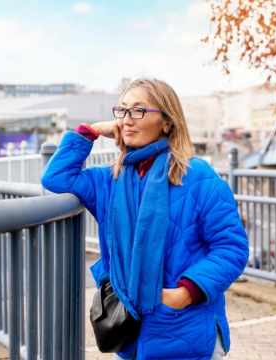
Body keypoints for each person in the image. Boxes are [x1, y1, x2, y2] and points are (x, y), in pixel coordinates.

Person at [41, 78, 249, 360]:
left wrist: (186, 293)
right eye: (122, 111)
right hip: (131, 332)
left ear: (167, 122)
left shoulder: (197, 176)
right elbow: (56, 178)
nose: (127, 120)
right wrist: (90, 132)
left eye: (138, 111)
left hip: (186, 329)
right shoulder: (109, 178)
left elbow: (232, 248)